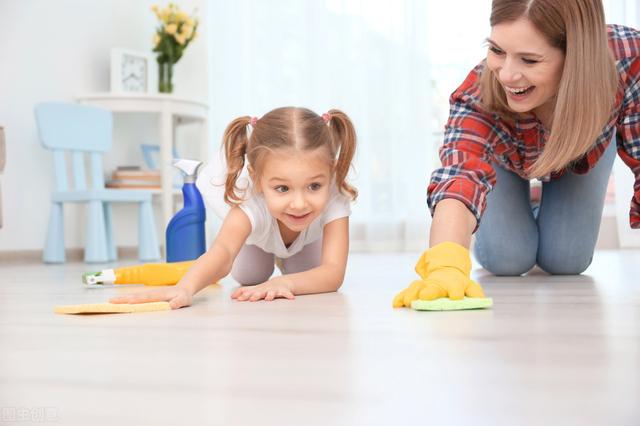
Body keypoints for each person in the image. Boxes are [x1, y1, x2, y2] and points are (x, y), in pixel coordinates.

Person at [394, 0, 640, 308]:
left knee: (567, 260)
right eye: (497, 50)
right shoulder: (479, 94)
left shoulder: (628, 59)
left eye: (529, 60)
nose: (507, 75)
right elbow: (460, 175)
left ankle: (537, 206)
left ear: (575, 57)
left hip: (582, 150)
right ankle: (526, 204)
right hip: (506, 158)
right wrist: (445, 265)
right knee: (506, 259)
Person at [111, 107, 357, 308]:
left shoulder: (335, 195)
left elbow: (333, 272)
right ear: (257, 179)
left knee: (308, 272)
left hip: (306, 242)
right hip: (258, 241)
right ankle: (271, 258)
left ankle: (288, 262)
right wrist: (185, 287)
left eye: (314, 186)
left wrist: (286, 284)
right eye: (282, 188)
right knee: (250, 276)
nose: (300, 203)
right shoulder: (250, 203)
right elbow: (223, 252)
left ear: (330, 172)